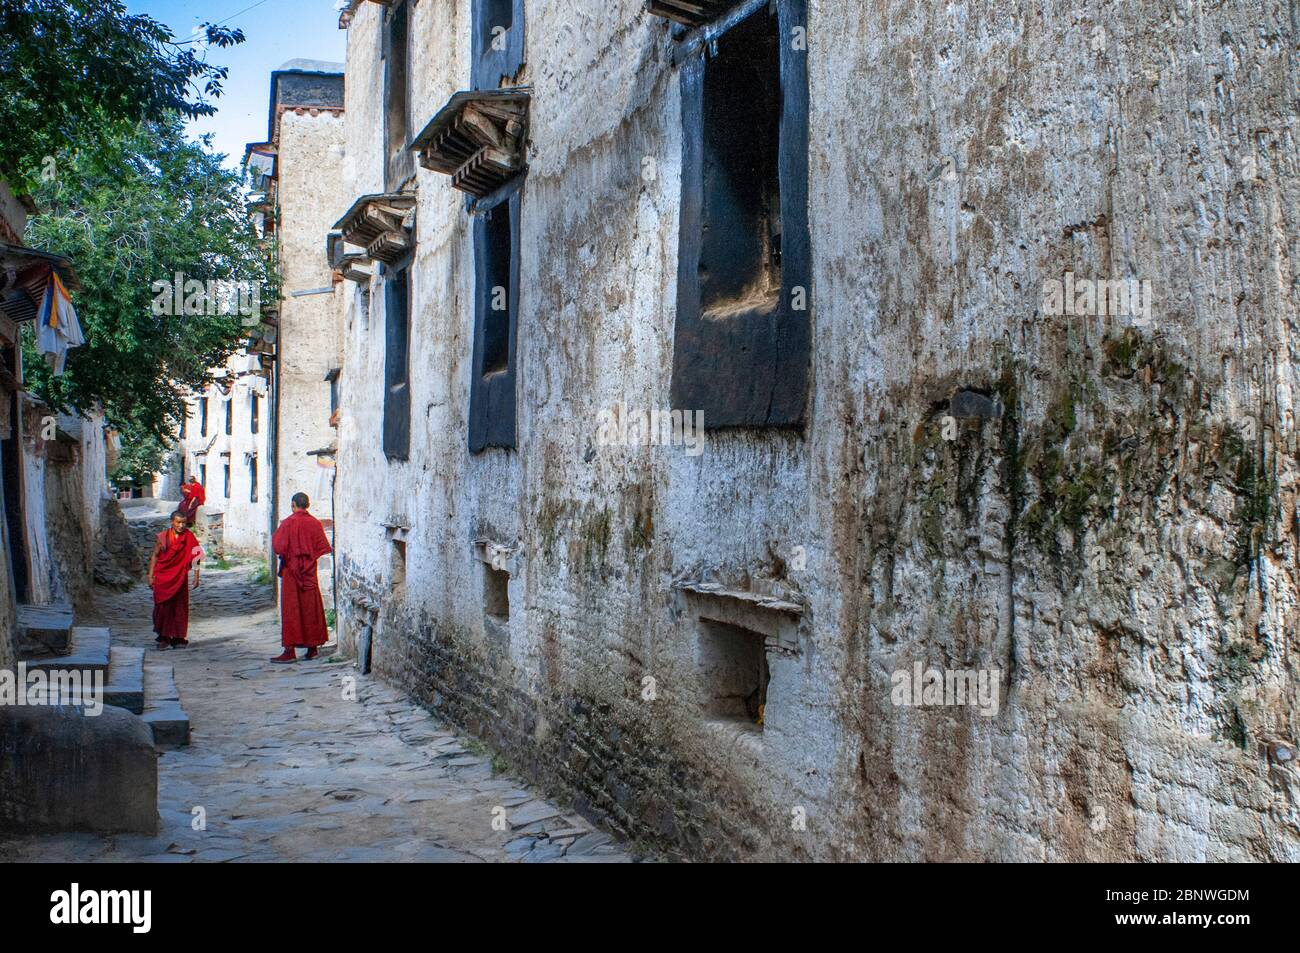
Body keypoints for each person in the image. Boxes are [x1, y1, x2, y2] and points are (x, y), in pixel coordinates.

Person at [270, 492, 332, 663]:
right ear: (307, 505)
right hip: (309, 571)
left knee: (292, 609)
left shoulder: (288, 523)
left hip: (291, 571)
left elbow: (278, 546)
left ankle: (289, 650)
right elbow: (322, 547)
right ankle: (312, 648)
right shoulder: (315, 523)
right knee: (310, 608)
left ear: (293, 504)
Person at [148, 509, 203, 650]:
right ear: (172, 522)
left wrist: (196, 576)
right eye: (178, 522)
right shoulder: (163, 537)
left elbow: (196, 556)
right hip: (162, 576)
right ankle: (163, 637)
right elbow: (155, 556)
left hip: (179, 578)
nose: (181, 526)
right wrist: (150, 575)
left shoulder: (188, 537)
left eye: (184, 523)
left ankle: (178, 638)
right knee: (162, 608)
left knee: (180, 608)